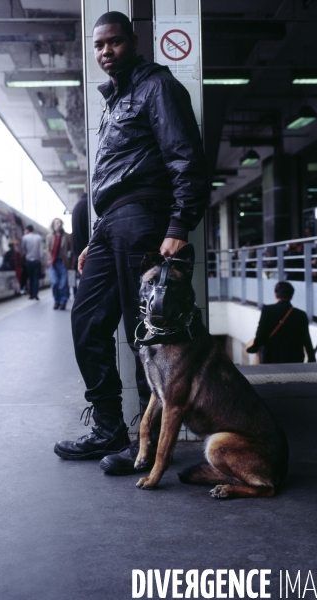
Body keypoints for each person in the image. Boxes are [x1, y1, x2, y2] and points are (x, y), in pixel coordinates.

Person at [54, 11, 208, 474]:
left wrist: (179, 226)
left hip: (144, 218)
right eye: (99, 45)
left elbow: (186, 158)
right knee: (86, 321)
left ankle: (148, 445)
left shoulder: (156, 87)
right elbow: (112, 178)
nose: (106, 52)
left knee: (142, 333)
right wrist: (96, 236)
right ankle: (107, 428)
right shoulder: (115, 100)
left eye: (115, 43)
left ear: (133, 42)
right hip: (113, 225)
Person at [246, 281, 316, 364]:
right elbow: (306, 339)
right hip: (294, 359)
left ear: (276, 294)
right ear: (291, 296)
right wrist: (312, 358)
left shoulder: (268, 310)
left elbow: (260, 334)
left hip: (271, 357)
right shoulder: (301, 314)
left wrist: (254, 347)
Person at [47, 218, 74, 310]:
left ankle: (63, 302)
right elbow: (48, 250)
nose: (58, 224)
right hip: (53, 263)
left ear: (62, 224)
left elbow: (72, 250)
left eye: (59, 223)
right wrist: (49, 260)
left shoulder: (67, 236)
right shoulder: (50, 236)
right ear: (53, 225)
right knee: (54, 283)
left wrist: (72, 263)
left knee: (63, 284)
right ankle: (56, 301)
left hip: (64, 263)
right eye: (56, 223)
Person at [21, 224, 43, 300]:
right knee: (36, 278)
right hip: (36, 261)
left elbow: (23, 250)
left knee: (30, 278)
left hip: (28, 261)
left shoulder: (25, 238)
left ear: (27, 230)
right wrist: (41, 260)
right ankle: (36, 294)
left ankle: (31, 295)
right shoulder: (38, 238)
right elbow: (41, 251)